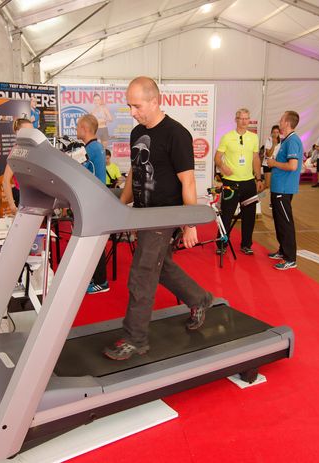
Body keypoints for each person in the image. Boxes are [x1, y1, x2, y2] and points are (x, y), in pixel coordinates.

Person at [103, 76, 214, 361]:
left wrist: (189, 223)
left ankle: (135, 339)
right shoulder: (137, 133)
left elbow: (188, 182)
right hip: (143, 214)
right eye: (129, 106)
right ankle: (200, 299)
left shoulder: (177, 134)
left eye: (137, 106)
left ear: (155, 101)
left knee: (142, 274)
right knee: (160, 267)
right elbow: (134, 173)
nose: (132, 112)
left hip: (165, 215)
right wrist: (120, 205)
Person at [214, 108, 263, 255]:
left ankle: (246, 244)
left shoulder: (253, 137)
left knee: (249, 216)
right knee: (226, 215)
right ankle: (221, 244)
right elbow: (217, 158)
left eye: (247, 118)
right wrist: (223, 167)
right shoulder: (227, 137)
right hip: (231, 183)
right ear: (236, 120)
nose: (244, 121)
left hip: (249, 183)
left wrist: (258, 178)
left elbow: (256, 158)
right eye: (241, 118)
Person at [76, 114, 110, 294]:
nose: (76, 130)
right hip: (95, 201)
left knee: (94, 242)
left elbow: (84, 175)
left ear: (84, 128)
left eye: (77, 127)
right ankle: (95, 277)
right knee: (91, 241)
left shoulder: (92, 148)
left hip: (94, 202)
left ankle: (101, 282)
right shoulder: (94, 147)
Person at [266, 110, 303, 271]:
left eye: (281, 120)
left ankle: (290, 258)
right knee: (279, 221)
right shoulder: (286, 140)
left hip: (284, 188)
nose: (279, 122)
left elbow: (292, 166)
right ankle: (282, 250)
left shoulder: (292, 141)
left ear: (287, 123)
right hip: (278, 187)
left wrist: (274, 163)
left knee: (285, 223)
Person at [2, 118, 33, 215]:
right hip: (23, 197)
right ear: (18, 132)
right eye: (27, 131)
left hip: (35, 197)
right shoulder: (17, 152)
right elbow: (5, 180)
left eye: (32, 131)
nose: (31, 134)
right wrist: (12, 206)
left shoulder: (34, 149)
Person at [262, 124, 280, 201]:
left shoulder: (281, 141)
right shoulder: (268, 140)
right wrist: (273, 145)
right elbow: (268, 154)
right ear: (271, 133)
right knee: (267, 185)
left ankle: (272, 202)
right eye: (274, 132)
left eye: (277, 132)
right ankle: (255, 197)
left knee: (274, 186)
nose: (275, 134)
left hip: (276, 165)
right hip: (267, 164)